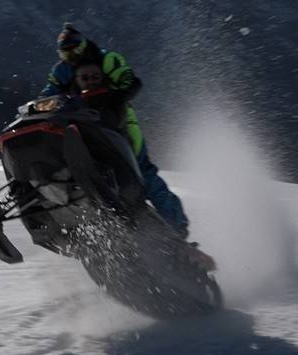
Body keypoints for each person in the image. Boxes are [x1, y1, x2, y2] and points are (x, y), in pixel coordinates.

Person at [40, 23, 190, 238]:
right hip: (79, 123)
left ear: (83, 46)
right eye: (65, 52)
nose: (71, 56)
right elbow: (48, 93)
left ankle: (178, 227)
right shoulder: (62, 69)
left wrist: (112, 95)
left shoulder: (108, 59)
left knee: (144, 171)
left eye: (74, 50)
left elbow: (130, 81)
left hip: (117, 121)